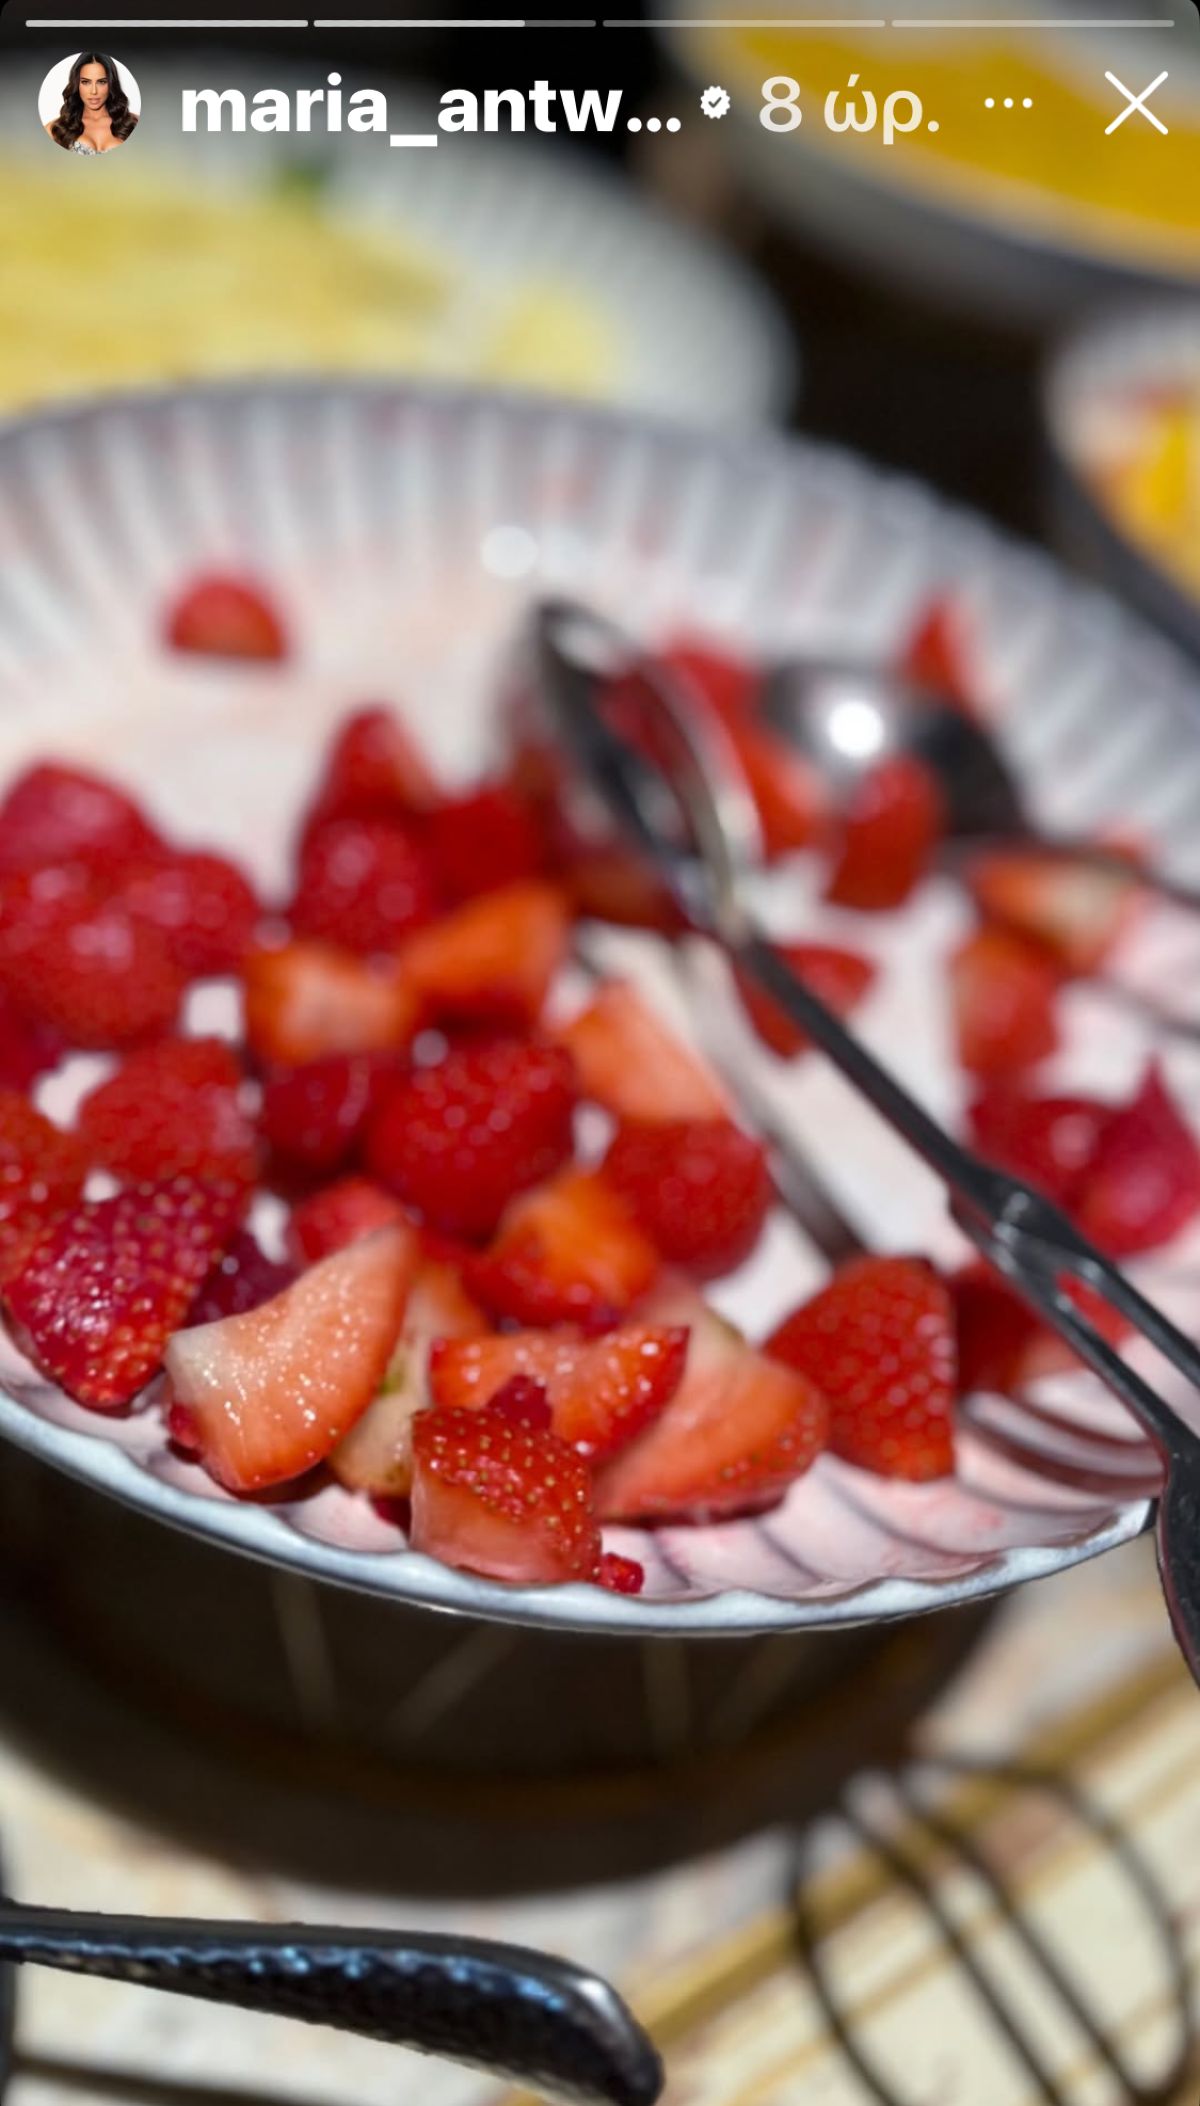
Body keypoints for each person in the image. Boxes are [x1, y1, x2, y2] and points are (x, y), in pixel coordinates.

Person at [46, 53, 138, 155]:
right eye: (86, 82)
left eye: (101, 82)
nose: (94, 91)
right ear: (77, 84)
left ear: (111, 84)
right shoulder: (56, 129)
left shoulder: (133, 123)